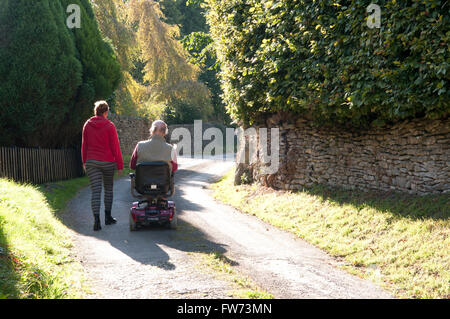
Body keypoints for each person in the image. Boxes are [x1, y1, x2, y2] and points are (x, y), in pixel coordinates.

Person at [81, 100, 123, 231]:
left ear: (96, 112)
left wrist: (84, 161)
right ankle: (108, 217)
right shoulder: (110, 126)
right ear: (105, 113)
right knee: (108, 189)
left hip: (92, 162)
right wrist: (120, 165)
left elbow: (84, 145)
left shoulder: (87, 124)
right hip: (108, 162)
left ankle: (97, 222)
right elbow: (115, 147)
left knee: (95, 191)